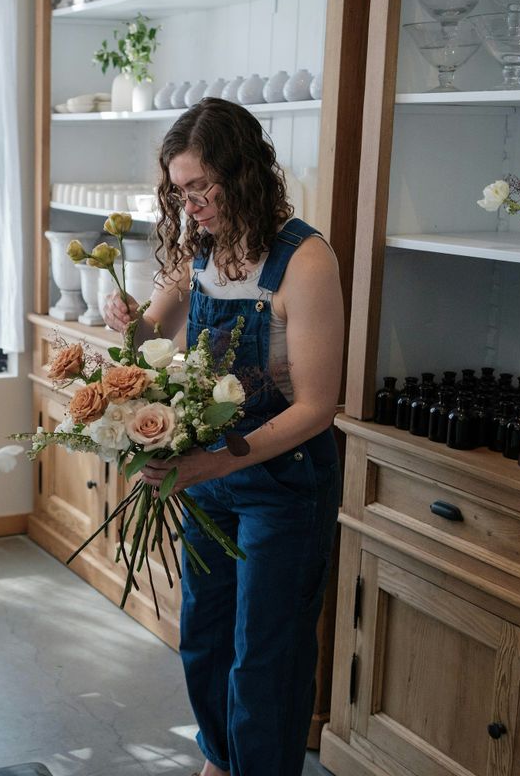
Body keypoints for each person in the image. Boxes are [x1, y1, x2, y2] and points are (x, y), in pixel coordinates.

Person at [101, 98, 343, 776]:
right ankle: (221, 757)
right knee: (204, 637)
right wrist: (128, 320)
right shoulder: (199, 254)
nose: (192, 204)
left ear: (243, 173)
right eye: (180, 191)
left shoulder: (305, 261)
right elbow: (151, 337)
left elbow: (319, 407)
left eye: (202, 187)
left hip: (285, 483)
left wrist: (214, 462)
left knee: (266, 652)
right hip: (209, 476)